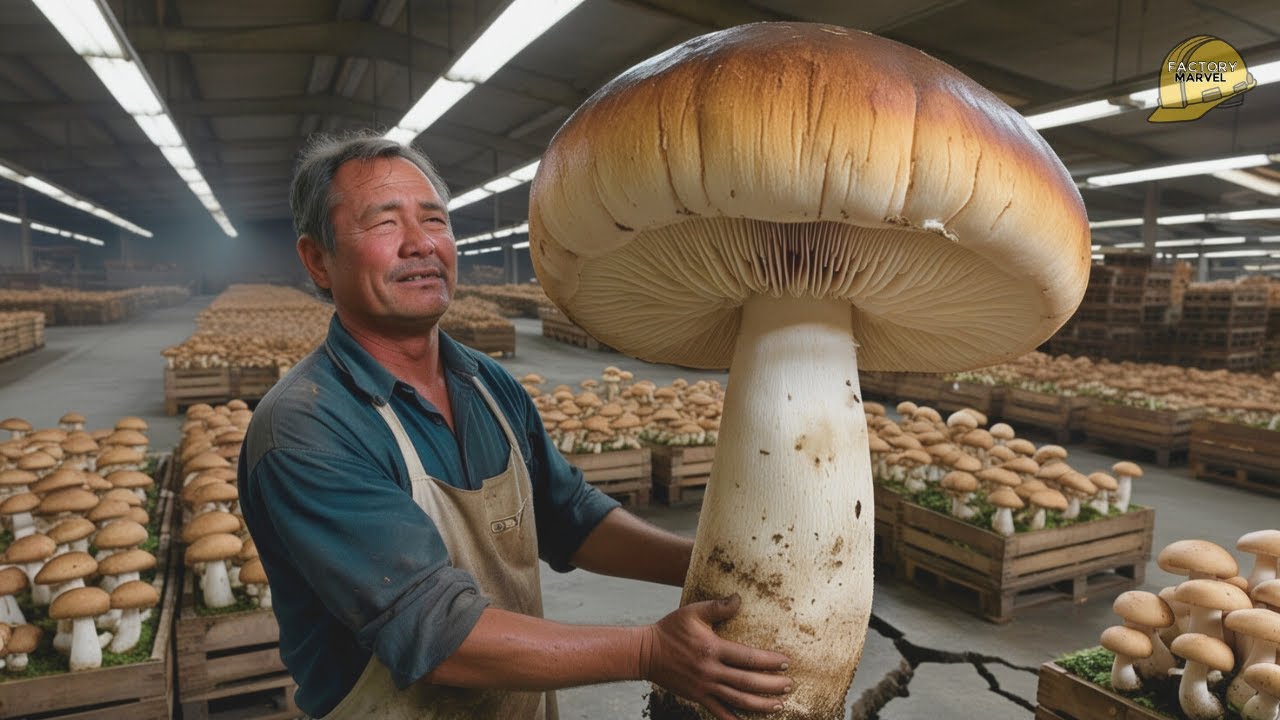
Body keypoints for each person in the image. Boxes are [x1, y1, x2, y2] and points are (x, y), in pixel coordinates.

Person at [237, 131, 792, 720]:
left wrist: (711, 572)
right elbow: (432, 631)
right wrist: (650, 651)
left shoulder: (487, 384)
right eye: (384, 223)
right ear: (317, 260)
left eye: (434, 220)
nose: (421, 243)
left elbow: (569, 518)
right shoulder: (308, 427)